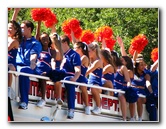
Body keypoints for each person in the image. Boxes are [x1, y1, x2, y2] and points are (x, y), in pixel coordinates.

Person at [14, 9, 42, 109]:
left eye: (22, 28)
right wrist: (15, 12)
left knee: (24, 70)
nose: (20, 30)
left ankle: (24, 102)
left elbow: (33, 56)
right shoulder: (17, 40)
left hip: (27, 67)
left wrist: (32, 63)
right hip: (15, 65)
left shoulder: (36, 43)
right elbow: (11, 28)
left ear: (29, 29)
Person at [34, 21, 57, 108]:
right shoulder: (37, 48)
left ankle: (43, 99)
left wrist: (54, 69)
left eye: (46, 38)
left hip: (46, 71)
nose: (45, 40)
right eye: (43, 39)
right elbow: (37, 35)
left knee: (43, 76)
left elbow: (53, 61)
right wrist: (39, 23)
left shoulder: (52, 51)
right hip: (36, 69)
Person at [111, 51, 131, 121]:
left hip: (119, 89)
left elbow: (128, 80)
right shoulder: (108, 66)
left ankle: (124, 118)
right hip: (111, 89)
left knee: (121, 96)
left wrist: (128, 88)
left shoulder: (122, 67)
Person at [73, 42, 91, 115]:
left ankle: (87, 106)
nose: (73, 50)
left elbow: (76, 65)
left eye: (75, 48)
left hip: (81, 79)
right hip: (75, 78)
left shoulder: (84, 57)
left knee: (83, 87)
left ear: (80, 49)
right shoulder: (76, 57)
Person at [86, 42, 103, 115]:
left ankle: (99, 107)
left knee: (93, 88)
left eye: (89, 51)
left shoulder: (98, 61)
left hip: (97, 85)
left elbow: (87, 72)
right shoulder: (91, 61)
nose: (87, 53)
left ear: (94, 51)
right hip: (90, 83)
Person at [120, 56, 138, 121]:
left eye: (122, 61)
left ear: (126, 63)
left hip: (127, 88)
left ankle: (132, 117)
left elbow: (126, 80)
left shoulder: (129, 71)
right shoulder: (121, 68)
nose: (120, 62)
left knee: (131, 100)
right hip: (123, 88)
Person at [8, 19, 22, 99]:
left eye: (10, 28)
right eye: (8, 27)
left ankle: (8, 89)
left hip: (11, 62)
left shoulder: (15, 41)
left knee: (8, 67)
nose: (8, 29)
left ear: (16, 30)